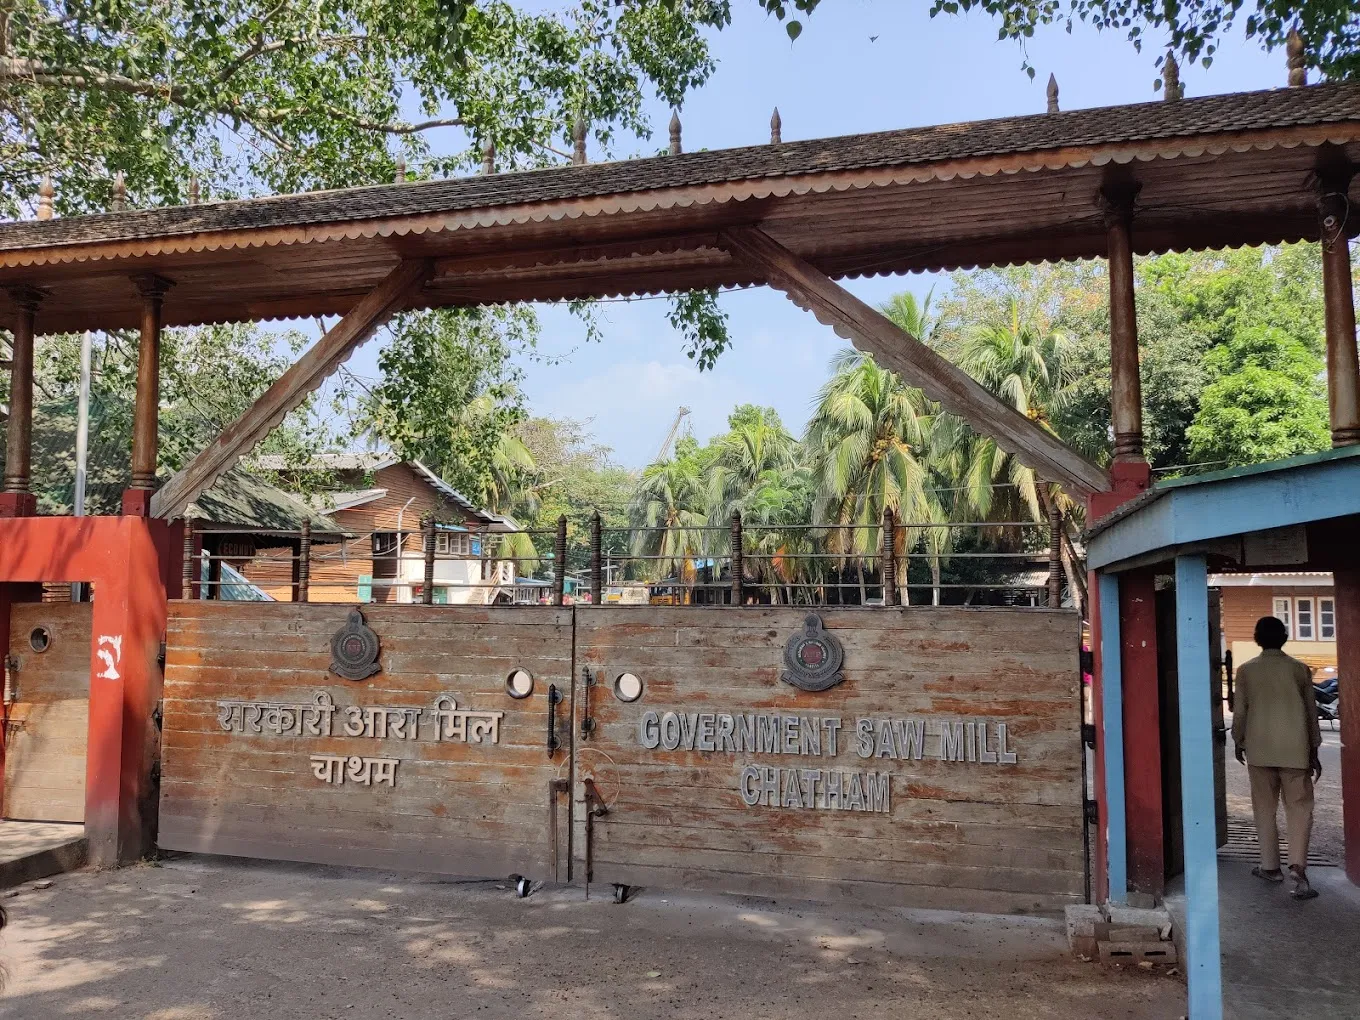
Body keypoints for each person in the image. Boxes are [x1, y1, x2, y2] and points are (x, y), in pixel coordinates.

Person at [1231, 615, 1323, 900]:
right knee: (1299, 808)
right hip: (1296, 750)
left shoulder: (1246, 671)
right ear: (1284, 638)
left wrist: (1238, 740)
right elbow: (1311, 713)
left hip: (1259, 750)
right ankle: (1297, 865)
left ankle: (1270, 866)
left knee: (1264, 808)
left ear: (1258, 639)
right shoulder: (1299, 669)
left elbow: (1241, 712)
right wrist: (1315, 750)